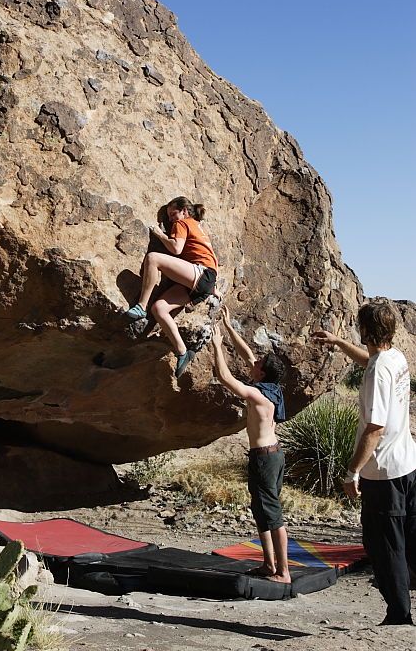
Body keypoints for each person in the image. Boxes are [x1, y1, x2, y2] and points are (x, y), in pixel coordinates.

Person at [314, 301, 416, 626]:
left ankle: (399, 615)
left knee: (385, 547)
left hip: (383, 474)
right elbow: (371, 359)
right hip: (408, 466)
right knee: (408, 540)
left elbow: (374, 429)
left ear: (366, 330)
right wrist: (339, 343)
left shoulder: (377, 371)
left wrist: (351, 472)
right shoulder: (394, 357)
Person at [212, 307, 290, 584]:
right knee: (261, 509)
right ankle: (269, 565)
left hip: (265, 458)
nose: (252, 363)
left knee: (273, 513)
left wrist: (217, 346)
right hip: (271, 455)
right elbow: (248, 354)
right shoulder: (272, 387)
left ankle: (284, 571)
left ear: (262, 373)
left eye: (258, 364)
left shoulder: (258, 395)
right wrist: (229, 327)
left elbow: (225, 378)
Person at [124, 196, 218, 378]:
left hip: (201, 273)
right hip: (204, 280)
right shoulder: (197, 226)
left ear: (184, 211)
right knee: (159, 309)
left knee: (153, 258)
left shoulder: (183, 223)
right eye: (168, 217)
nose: (171, 219)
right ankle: (183, 352)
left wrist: (159, 234)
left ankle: (141, 307)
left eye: (173, 214)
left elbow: (176, 248)